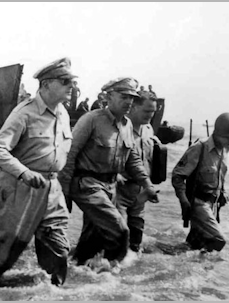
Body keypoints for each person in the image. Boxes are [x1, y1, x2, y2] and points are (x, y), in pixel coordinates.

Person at [0, 57, 75, 286]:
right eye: (64, 81)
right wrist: (23, 173)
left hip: (51, 189)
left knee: (59, 248)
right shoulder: (25, 113)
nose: (70, 86)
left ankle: (53, 293)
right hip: (21, 188)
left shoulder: (63, 114)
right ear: (46, 84)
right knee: (4, 252)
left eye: (71, 81)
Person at [59, 77, 158, 268]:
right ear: (108, 97)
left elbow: (132, 159)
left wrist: (147, 185)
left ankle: (73, 275)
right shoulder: (91, 120)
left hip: (110, 187)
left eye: (131, 97)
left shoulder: (127, 125)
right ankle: (113, 275)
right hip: (88, 185)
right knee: (120, 231)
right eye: (123, 96)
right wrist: (64, 192)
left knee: (92, 241)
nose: (129, 101)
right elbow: (69, 154)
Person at [172, 112, 229, 252]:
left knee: (194, 246)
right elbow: (178, 176)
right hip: (198, 203)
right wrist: (183, 200)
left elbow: (219, 174)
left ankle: (184, 267)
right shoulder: (200, 147)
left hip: (212, 203)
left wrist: (222, 192)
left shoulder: (224, 150)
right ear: (218, 133)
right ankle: (202, 269)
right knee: (218, 240)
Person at [113, 91, 160, 254]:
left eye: (153, 111)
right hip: (121, 191)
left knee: (136, 238)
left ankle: (131, 273)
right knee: (119, 235)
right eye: (146, 111)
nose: (150, 115)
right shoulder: (120, 129)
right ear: (133, 107)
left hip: (140, 193)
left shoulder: (148, 130)